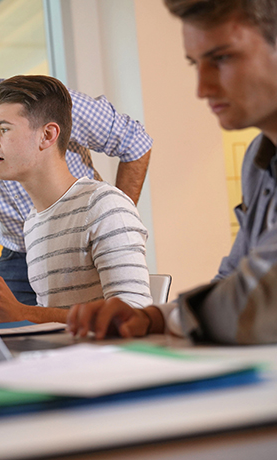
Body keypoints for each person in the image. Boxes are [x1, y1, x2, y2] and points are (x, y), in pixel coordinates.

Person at [68, 0, 277, 344]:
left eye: (222, 58)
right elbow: (234, 277)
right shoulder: (259, 157)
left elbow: (258, 299)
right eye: (195, 64)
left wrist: (161, 318)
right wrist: (151, 317)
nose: (202, 89)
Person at [0, 40, 153, 305]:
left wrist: (113, 220)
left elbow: (134, 142)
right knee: (15, 337)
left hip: (78, 240)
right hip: (19, 248)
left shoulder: (37, 103)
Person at [0, 75, 152, 324]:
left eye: (4, 129)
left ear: (47, 135)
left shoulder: (105, 207)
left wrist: (22, 312)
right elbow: (48, 321)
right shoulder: (33, 223)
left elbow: (132, 319)